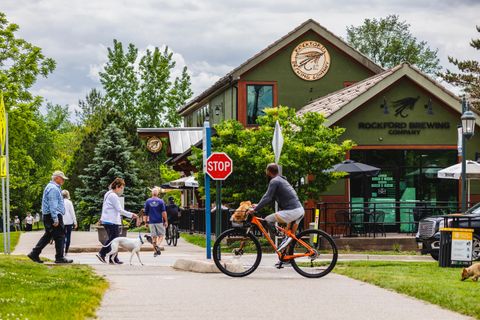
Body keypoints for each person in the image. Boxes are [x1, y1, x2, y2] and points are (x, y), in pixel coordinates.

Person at [251, 163, 304, 268]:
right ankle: (285, 258)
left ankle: (276, 234)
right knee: (289, 236)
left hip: (292, 211)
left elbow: (267, 197)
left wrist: (255, 210)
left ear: (268, 172)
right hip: (299, 210)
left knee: (267, 220)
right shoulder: (281, 180)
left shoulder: (274, 181)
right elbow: (271, 198)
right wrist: (258, 205)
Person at [27, 171, 73, 264]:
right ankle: (59, 257)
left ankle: (34, 253)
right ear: (56, 178)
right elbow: (53, 205)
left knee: (48, 235)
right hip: (53, 215)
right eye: (62, 178)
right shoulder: (53, 189)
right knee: (60, 236)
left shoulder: (52, 187)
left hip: (49, 216)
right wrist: (55, 219)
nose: (63, 180)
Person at [96, 177, 138, 264]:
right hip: (111, 221)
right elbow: (120, 210)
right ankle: (102, 253)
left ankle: (113, 259)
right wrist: (131, 215)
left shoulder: (108, 193)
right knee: (113, 240)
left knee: (114, 240)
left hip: (107, 220)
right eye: (122, 188)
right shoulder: (113, 196)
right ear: (117, 186)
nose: (122, 190)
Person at [144, 187, 167, 257]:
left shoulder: (148, 201)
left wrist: (146, 222)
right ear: (158, 194)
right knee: (161, 235)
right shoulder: (161, 201)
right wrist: (166, 221)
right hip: (159, 221)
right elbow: (163, 212)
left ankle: (155, 252)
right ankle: (157, 245)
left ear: (152, 193)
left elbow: (146, 213)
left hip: (151, 222)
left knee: (154, 237)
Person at [62, 190, 77, 256]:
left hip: (61, 221)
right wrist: (75, 222)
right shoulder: (69, 202)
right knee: (68, 236)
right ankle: (66, 252)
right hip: (69, 222)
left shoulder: (60, 202)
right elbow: (72, 212)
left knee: (62, 236)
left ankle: (61, 250)